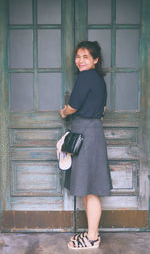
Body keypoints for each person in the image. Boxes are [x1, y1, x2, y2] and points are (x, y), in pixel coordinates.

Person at [60, 41, 112, 250]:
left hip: (85, 134)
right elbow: (103, 108)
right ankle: (92, 234)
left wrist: (63, 112)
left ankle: (92, 237)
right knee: (90, 188)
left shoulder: (85, 77)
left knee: (90, 189)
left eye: (85, 57)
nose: (80, 61)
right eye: (78, 56)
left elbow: (73, 106)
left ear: (95, 60)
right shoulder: (99, 80)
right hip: (94, 132)